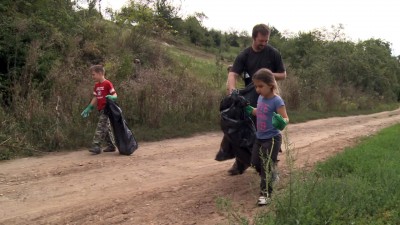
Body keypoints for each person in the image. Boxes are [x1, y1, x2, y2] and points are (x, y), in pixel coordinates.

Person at [226, 23, 287, 175]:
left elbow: (283, 74)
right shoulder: (244, 55)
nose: (264, 43)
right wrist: (232, 91)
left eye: (266, 40)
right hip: (249, 94)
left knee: (267, 127)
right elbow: (233, 74)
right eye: (261, 41)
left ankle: (271, 162)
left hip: (269, 94)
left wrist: (267, 76)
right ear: (254, 38)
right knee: (242, 127)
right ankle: (241, 161)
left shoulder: (273, 53)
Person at [245, 68, 289, 206]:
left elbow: (286, 118)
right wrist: (250, 110)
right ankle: (272, 174)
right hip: (259, 137)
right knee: (254, 162)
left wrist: (282, 122)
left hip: (272, 139)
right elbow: (260, 111)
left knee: (266, 167)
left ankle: (266, 195)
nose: (257, 89)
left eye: (260, 86)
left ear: (270, 85)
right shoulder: (260, 98)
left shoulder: (277, 101)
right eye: (256, 86)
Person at [81, 65, 118, 154]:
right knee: (106, 127)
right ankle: (111, 146)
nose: (92, 76)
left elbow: (115, 95)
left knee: (101, 126)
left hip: (107, 109)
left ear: (100, 73)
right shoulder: (96, 85)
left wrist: (112, 97)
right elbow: (95, 97)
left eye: (93, 74)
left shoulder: (107, 83)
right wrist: (89, 107)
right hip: (100, 109)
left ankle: (96, 145)